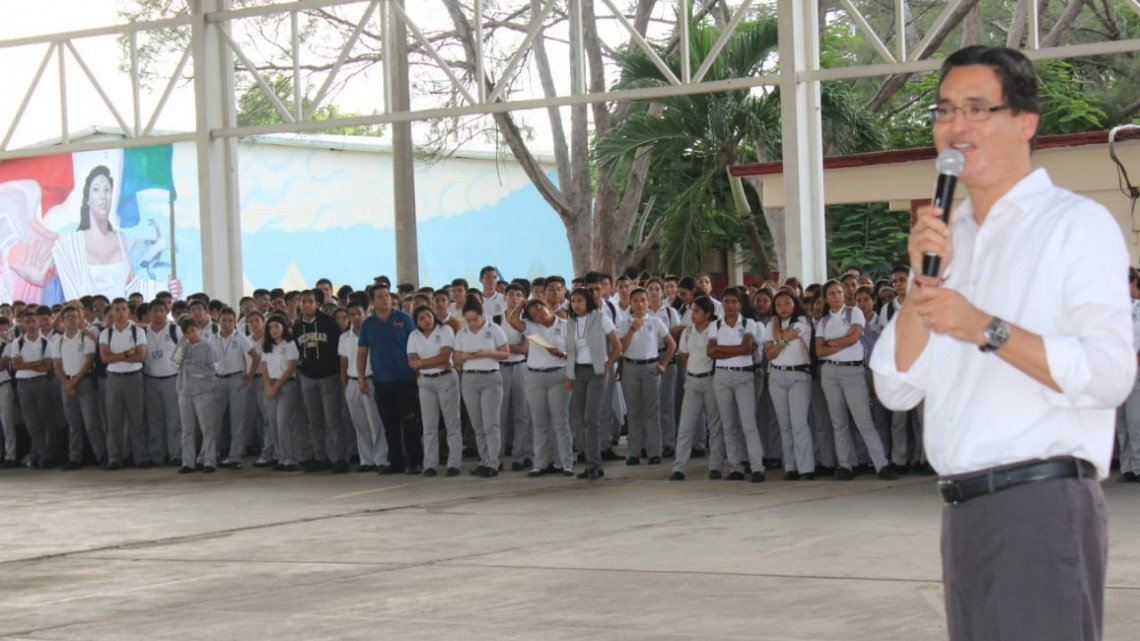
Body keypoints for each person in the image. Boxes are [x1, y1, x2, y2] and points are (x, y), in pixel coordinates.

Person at [870, 45, 1135, 641]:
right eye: (944, 111)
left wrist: (985, 328)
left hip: (1040, 506)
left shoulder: (1074, 225)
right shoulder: (945, 236)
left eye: (976, 108)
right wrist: (923, 285)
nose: (956, 125)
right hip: (964, 512)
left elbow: (1111, 373)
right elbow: (895, 386)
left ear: (1026, 121)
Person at [815, 280, 897, 481]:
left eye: (838, 292)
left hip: (853, 371)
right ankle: (846, 464)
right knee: (839, 422)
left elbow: (853, 338)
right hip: (830, 373)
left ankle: (881, 464)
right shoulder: (823, 321)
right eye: (831, 294)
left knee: (864, 420)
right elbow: (819, 350)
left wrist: (831, 343)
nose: (836, 296)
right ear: (826, 298)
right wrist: (838, 344)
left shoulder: (854, 313)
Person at [357, 286, 422, 476]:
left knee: (410, 423)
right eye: (380, 297)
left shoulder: (404, 318)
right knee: (389, 423)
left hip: (405, 379)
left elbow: (415, 345)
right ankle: (395, 462)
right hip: (382, 381)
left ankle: (415, 461)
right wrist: (362, 378)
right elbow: (362, 353)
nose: (385, 299)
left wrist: (418, 373)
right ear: (372, 302)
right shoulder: (368, 324)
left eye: (387, 296)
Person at [508, 299, 573, 477]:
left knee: (560, 422)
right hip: (535, 376)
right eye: (533, 312)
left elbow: (575, 351)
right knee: (539, 423)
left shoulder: (566, 325)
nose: (538, 312)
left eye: (539, 307)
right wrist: (521, 304)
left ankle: (565, 462)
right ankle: (540, 463)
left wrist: (563, 356)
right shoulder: (531, 327)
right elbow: (512, 320)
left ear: (547, 306)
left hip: (559, 374)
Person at [564, 287, 622, 480]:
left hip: (597, 371)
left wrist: (606, 366)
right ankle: (589, 461)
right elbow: (571, 351)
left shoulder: (600, 318)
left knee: (592, 419)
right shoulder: (571, 322)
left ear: (587, 301)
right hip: (579, 371)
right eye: (573, 301)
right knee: (580, 418)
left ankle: (595, 464)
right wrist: (569, 375)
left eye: (579, 300)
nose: (576, 304)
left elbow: (617, 347)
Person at [709, 289, 765, 481]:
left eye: (734, 301)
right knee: (728, 425)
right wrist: (739, 350)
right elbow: (711, 352)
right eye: (726, 301)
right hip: (722, 376)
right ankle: (736, 466)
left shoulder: (749, 323)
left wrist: (722, 350)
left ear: (740, 304)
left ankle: (757, 466)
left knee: (748, 424)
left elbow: (747, 346)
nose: (730, 305)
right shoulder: (715, 324)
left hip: (744, 376)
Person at [617, 287, 676, 465]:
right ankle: (634, 452)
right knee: (634, 413)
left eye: (643, 300)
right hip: (631, 368)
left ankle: (654, 451)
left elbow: (671, 345)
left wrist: (663, 364)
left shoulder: (656, 321)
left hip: (651, 367)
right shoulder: (623, 323)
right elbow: (621, 348)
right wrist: (632, 330)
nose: (640, 304)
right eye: (635, 301)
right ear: (631, 304)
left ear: (648, 302)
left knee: (652, 411)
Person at [454, 298, 510, 477]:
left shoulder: (494, 329)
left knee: (491, 424)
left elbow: (505, 353)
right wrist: (465, 357)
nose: (471, 324)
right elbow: (456, 358)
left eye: (474, 320)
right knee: (477, 424)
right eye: (468, 320)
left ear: (482, 316)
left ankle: (493, 462)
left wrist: (487, 353)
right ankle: (484, 459)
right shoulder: (462, 333)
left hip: (490, 377)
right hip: (470, 378)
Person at [763, 290, 815, 480]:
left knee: (799, 424)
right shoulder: (772, 324)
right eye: (778, 305)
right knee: (784, 425)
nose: (783, 308)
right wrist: (783, 339)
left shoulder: (802, 322)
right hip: (777, 375)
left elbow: (777, 337)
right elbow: (769, 354)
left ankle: (806, 468)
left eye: (787, 303)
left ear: (795, 303)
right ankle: (791, 466)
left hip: (798, 375)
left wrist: (779, 335)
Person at [293, 289, 346, 473]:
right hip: (308, 378)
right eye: (303, 301)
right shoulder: (297, 326)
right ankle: (319, 456)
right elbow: (297, 350)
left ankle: (337, 458)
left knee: (332, 419)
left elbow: (338, 350)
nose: (307, 304)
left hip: (328, 377)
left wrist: (339, 373)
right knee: (313, 420)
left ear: (317, 304)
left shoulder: (328, 323)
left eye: (310, 301)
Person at [671, 297, 723, 480]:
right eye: (692, 310)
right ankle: (679, 467)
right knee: (686, 425)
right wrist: (694, 367)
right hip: (692, 381)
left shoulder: (716, 330)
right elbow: (684, 355)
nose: (692, 314)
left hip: (711, 380)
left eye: (697, 311)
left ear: (707, 314)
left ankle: (715, 465)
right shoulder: (687, 332)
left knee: (714, 425)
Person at [407, 305, 462, 477]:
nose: (426, 320)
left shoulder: (445, 330)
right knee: (429, 425)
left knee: (451, 422)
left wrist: (423, 363)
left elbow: (445, 357)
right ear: (416, 321)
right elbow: (412, 361)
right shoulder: (413, 335)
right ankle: (430, 464)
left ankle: (454, 463)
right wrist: (430, 363)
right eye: (421, 318)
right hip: (425, 382)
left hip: (446, 378)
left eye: (428, 316)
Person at [51, 305, 103, 470]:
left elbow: (89, 361)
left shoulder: (85, 337)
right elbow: (57, 364)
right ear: (63, 321)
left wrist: (74, 380)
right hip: (66, 383)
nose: (72, 320)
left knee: (91, 422)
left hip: (83, 381)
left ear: (80, 319)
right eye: (68, 317)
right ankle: (74, 457)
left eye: (75, 317)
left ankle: (101, 455)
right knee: (73, 424)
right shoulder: (58, 341)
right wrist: (66, 382)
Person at [100, 298, 148, 469]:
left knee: (136, 419)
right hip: (114, 378)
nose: (120, 313)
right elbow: (105, 358)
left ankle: (140, 457)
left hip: (134, 377)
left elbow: (141, 356)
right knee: (114, 420)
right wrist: (127, 353)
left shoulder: (138, 332)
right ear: (112, 312)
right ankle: (115, 458)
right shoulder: (106, 334)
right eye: (117, 309)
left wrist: (116, 356)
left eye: (123, 309)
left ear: (128, 312)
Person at [339, 301, 387, 472]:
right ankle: (366, 460)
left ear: (366, 312)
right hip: (352, 382)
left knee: (375, 422)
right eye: (351, 315)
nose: (356, 318)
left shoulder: (373, 334)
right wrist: (345, 386)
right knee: (359, 423)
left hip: (370, 380)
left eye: (358, 313)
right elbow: (343, 364)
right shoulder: (344, 338)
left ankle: (381, 459)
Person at [212, 308, 260, 469]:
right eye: (223, 320)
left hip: (236, 380)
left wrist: (249, 376)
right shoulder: (213, 339)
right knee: (215, 421)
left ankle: (235, 457)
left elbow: (255, 356)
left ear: (235, 322)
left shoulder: (239, 337)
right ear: (219, 322)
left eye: (230, 321)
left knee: (237, 421)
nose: (226, 324)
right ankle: (212, 455)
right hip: (218, 381)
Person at [7, 311, 56, 467]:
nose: (30, 325)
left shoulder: (45, 342)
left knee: (44, 419)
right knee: (31, 421)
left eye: (33, 321)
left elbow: (47, 366)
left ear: (38, 323)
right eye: (27, 322)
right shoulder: (18, 343)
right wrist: (36, 363)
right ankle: (42, 455)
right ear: (23, 324)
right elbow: (16, 365)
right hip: (23, 384)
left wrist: (27, 364)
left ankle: (42, 454)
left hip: (41, 383)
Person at [173, 316, 220, 474]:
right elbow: (174, 364)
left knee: (207, 428)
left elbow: (215, 369)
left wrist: (195, 369)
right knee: (187, 429)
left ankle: (209, 460)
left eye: (193, 330)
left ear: (198, 329)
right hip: (185, 391)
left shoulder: (207, 346)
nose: (191, 334)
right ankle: (188, 461)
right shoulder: (182, 346)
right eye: (187, 332)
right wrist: (181, 346)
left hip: (202, 392)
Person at [144, 299, 182, 466]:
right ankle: (156, 455)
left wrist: (174, 366)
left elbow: (183, 348)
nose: (158, 314)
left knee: (174, 419)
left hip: (171, 379)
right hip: (150, 379)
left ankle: (175, 453)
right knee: (154, 420)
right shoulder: (143, 332)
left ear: (166, 312)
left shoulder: (175, 329)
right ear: (149, 313)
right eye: (155, 311)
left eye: (161, 310)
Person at [499, 282, 532, 471]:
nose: (514, 298)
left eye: (518, 295)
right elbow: (490, 346)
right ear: (505, 296)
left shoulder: (526, 321)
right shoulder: (495, 320)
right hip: (500, 368)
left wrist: (503, 348)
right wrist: (507, 349)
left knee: (522, 414)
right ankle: (498, 456)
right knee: (500, 415)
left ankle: (521, 455)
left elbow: (524, 349)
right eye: (511, 294)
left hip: (520, 367)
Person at [261, 314, 301, 472]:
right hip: (270, 386)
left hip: (286, 385)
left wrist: (276, 385)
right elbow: (264, 366)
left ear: (284, 327)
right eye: (270, 327)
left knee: (283, 423)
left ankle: (290, 458)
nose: (274, 330)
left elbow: (291, 367)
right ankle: (280, 457)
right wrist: (269, 385)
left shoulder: (290, 344)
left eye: (277, 326)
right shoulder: (267, 346)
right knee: (273, 423)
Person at [1119, 268, 1140, 483]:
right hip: (1121, 368)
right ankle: (1127, 467)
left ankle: (1138, 464)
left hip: (1133, 366)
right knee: (1122, 421)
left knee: (1135, 421)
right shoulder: (1124, 307)